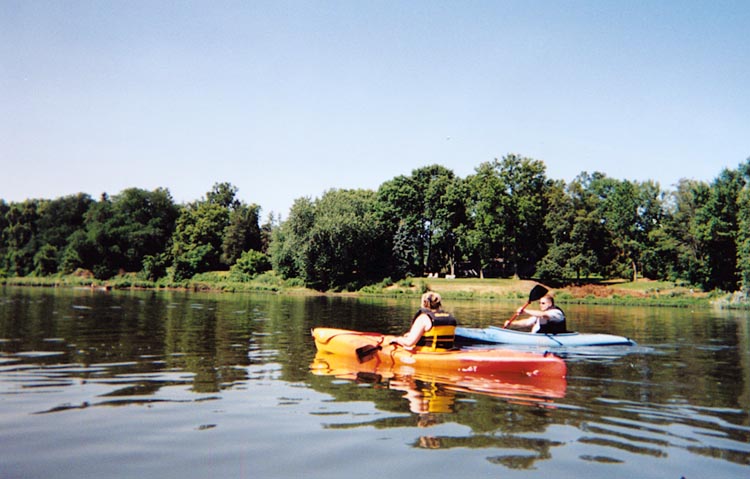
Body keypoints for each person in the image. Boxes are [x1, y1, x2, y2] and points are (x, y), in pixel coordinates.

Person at [391, 291, 457, 350]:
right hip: (448, 353)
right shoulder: (451, 318)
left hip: (428, 354)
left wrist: (397, 339)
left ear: (425, 303)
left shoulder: (423, 318)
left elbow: (409, 342)